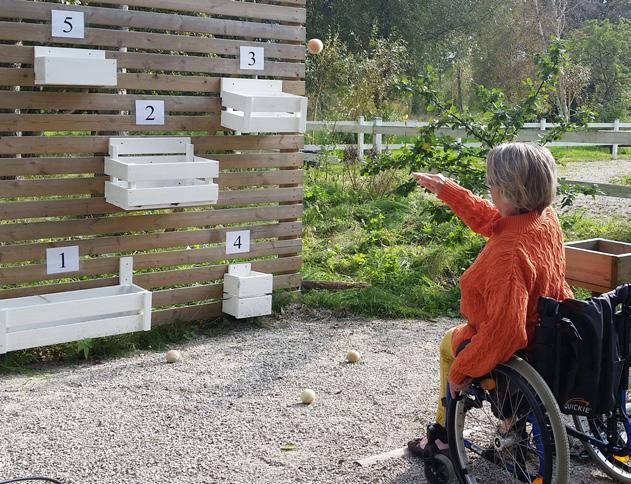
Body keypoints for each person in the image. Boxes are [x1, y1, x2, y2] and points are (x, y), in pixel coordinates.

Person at [408, 142, 574, 455]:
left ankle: (444, 436)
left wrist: (461, 372)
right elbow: (493, 221)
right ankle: (512, 421)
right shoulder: (544, 218)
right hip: (550, 329)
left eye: (492, 185)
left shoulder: (510, 256)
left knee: (449, 345)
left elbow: (506, 331)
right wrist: (450, 191)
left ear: (508, 190)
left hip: (521, 342)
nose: (490, 192)